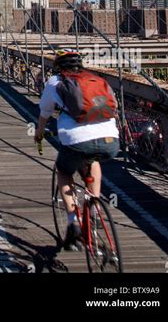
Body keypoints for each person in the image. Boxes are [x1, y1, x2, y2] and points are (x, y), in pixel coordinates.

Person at [34, 50, 119, 250]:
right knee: (93, 161)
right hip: (110, 140)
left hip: (76, 141)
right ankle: (94, 209)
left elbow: (45, 112)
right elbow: (113, 106)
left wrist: (39, 132)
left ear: (58, 67)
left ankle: (73, 221)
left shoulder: (55, 82)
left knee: (64, 171)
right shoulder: (96, 79)